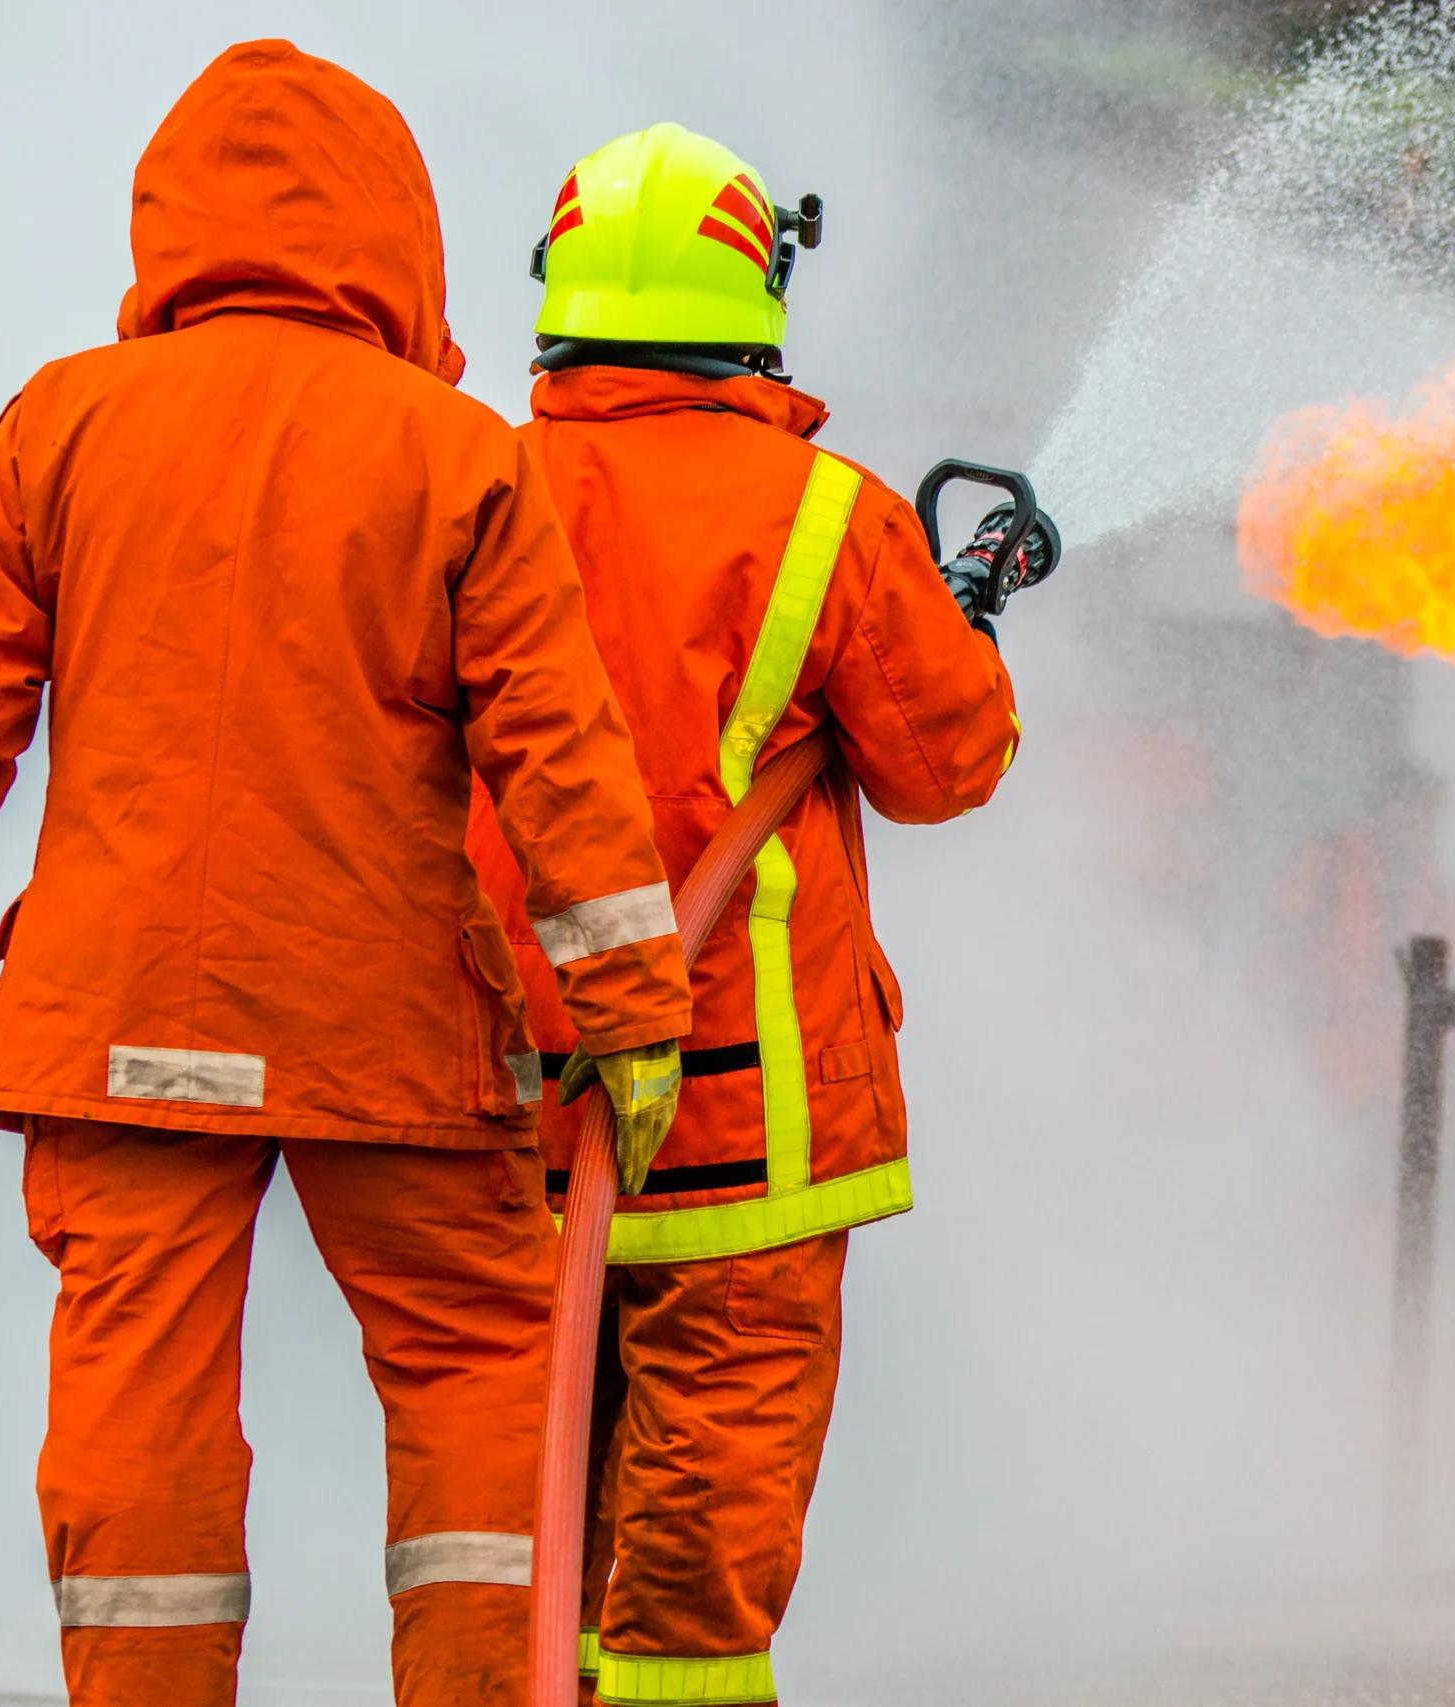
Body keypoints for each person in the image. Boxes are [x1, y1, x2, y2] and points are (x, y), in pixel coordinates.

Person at [0, 42, 694, 1707]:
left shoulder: (55, 425)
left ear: (171, 225)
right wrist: (636, 1012)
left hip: (121, 1021)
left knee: (133, 1399)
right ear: (397, 238)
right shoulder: (455, 452)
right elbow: (557, 759)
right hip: (385, 1032)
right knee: (479, 1369)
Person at [466, 122, 1041, 1706]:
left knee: (525, 1509)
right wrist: (956, 618)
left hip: (516, 1104)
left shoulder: (472, 484)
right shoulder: (823, 515)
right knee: (698, 1548)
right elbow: (948, 762)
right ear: (755, 285)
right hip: (752, 1119)